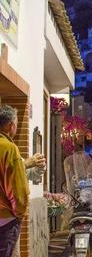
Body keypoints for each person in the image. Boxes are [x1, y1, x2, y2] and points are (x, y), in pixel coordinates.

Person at [0, 105, 30, 257]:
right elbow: (18, 189)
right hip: (5, 219)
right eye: (16, 123)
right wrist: (20, 213)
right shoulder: (9, 149)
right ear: (11, 125)